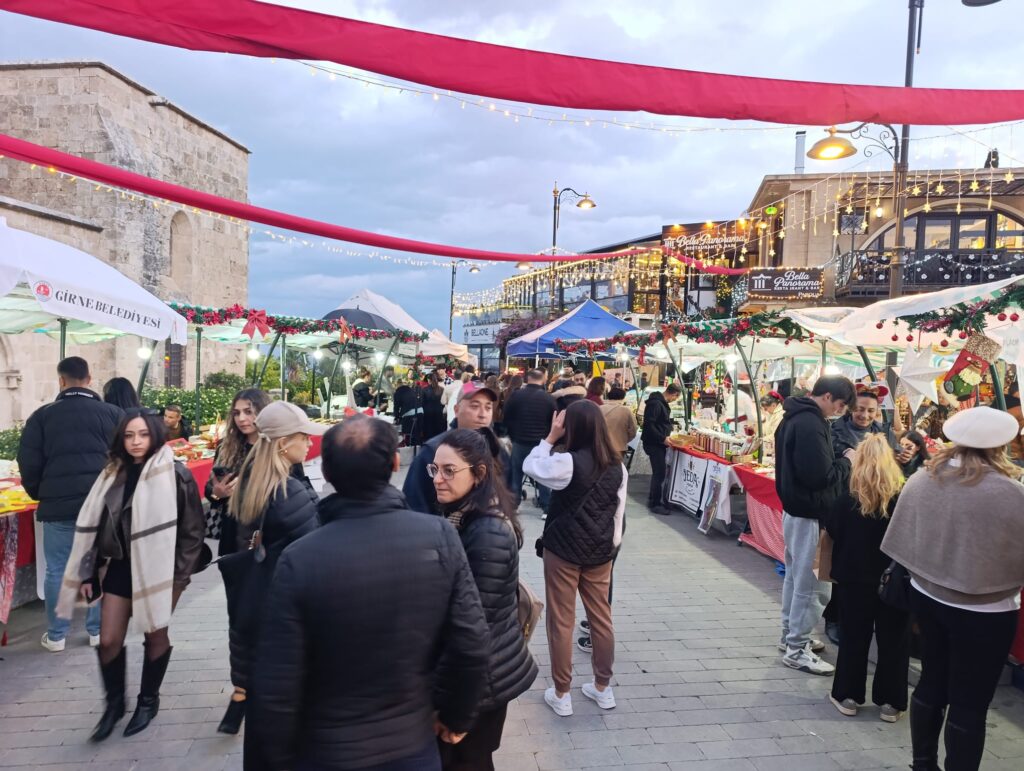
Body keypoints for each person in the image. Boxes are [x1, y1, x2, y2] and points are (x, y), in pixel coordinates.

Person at [249, 417, 490, 771]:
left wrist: (278, 756)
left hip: (326, 749)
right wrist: (458, 717)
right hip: (411, 744)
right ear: (394, 464)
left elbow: (276, 682)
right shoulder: (439, 536)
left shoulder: (300, 559)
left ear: (327, 473)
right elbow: (472, 643)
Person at [882, 407, 1024, 771]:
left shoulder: (924, 479)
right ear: (1001, 446)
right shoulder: (1011, 493)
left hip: (927, 596)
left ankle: (923, 764)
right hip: (987, 611)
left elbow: (902, 539)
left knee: (931, 681)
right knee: (970, 702)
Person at [57, 408, 205, 741]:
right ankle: (114, 705)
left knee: (154, 635)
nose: (135, 441)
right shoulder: (111, 474)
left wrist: (179, 580)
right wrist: (88, 573)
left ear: (155, 435)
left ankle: (147, 701)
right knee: (109, 639)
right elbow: (95, 528)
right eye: (128, 435)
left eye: (142, 434)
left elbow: (193, 533)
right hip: (121, 566)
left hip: (160, 569)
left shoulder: (175, 474)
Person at [431, 429, 538, 769]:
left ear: (478, 474)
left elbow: (475, 632)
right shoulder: (463, 515)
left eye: (450, 471)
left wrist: (458, 712)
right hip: (477, 681)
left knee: (469, 761)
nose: (438, 479)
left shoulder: (487, 532)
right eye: (435, 470)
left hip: (481, 686)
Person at [220, 401, 323, 741]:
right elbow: (315, 548)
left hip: (257, 601)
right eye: (303, 437)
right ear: (282, 444)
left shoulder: (256, 479)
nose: (309, 444)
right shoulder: (285, 490)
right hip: (286, 607)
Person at [525, 400, 626, 718]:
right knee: (601, 617)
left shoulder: (567, 462)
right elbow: (618, 517)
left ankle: (562, 692)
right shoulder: (617, 466)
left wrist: (550, 437)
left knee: (561, 620)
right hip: (600, 553)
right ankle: (602, 687)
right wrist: (610, 549)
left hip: (563, 552)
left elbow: (531, 466)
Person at [17, 356, 123, 652]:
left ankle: (57, 635)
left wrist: (42, 492)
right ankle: (97, 631)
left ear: (61, 380)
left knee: (58, 570)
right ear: (89, 379)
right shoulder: (113, 413)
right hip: (101, 507)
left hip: (58, 507)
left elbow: (28, 462)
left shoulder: (41, 416)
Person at [775, 374, 856, 676]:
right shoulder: (810, 423)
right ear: (828, 398)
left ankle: (791, 637)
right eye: (840, 405)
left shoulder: (795, 415)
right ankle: (797, 649)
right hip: (809, 515)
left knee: (796, 581)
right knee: (813, 587)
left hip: (796, 512)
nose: (840, 411)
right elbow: (819, 477)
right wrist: (847, 461)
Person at [826, 434, 910, 723]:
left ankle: (848, 695)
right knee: (894, 641)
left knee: (853, 637)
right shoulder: (902, 499)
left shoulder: (845, 500)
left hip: (853, 579)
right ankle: (891, 702)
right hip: (895, 582)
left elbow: (833, 533)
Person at [403, 381, 499, 515]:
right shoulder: (434, 450)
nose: (483, 414)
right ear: (456, 410)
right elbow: (415, 504)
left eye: (488, 408)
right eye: (475, 406)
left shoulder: (497, 451)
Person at [207, 389, 272, 558]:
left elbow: (296, 488)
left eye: (249, 412)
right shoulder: (225, 447)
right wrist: (216, 493)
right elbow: (211, 489)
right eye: (236, 413)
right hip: (232, 533)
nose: (241, 419)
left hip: (267, 531)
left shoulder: (277, 447)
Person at [503, 368, 557, 508]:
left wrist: (512, 434)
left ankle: (514, 504)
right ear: (543, 379)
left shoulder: (516, 396)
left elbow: (506, 416)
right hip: (541, 443)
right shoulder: (549, 399)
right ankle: (546, 505)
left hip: (519, 440)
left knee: (516, 473)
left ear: (528, 378)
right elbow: (553, 422)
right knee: (542, 476)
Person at [640, 383, 680, 515]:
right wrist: (662, 438)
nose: (674, 400)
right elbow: (649, 425)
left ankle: (654, 499)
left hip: (657, 442)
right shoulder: (656, 404)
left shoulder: (658, 402)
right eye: (675, 398)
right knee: (660, 473)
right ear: (673, 394)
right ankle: (655, 503)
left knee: (658, 472)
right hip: (654, 443)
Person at [831, 385, 900, 456]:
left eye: (871, 411)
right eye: (860, 409)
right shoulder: (833, 432)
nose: (865, 415)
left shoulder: (886, 432)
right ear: (851, 408)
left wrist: (906, 461)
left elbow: (897, 456)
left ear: (876, 411)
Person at [599, 386, 638, 458]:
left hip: (601, 446)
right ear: (623, 397)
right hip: (619, 447)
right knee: (616, 468)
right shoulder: (626, 410)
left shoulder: (599, 408)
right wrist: (624, 440)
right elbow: (633, 430)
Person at [421, 372, 448, 440]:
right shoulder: (441, 389)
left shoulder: (424, 390)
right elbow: (443, 402)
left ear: (429, 380)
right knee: (438, 433)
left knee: (429, 433)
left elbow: (422, 403)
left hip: (428, 414)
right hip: (439, 413)